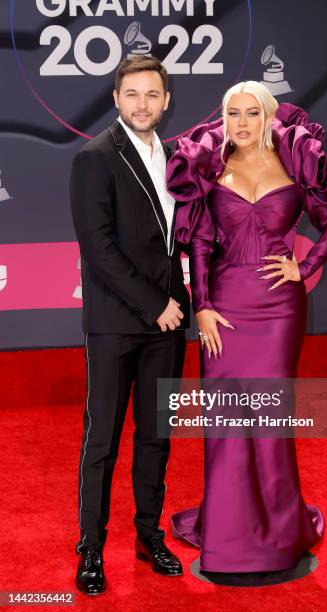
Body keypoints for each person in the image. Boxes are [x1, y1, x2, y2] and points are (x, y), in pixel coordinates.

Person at [166, 81, 327, 572]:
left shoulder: (296, 165)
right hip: (225, 309)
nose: (240, 122)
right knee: (227, 422)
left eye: (251, 113)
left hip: (278, 308)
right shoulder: (211, 168)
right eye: (232, 113)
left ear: (269, 117)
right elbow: (199, 242)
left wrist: (306, 264)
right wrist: (202, 305)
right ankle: (230, 532)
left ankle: (278, 533)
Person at [70, 55, 190, 595]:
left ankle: (148, 534)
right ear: (117, 98)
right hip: (119, 322)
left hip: (170, 324)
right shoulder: (94, 158)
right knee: (103, 440)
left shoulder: (176, 157)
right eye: (132, 94)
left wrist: (183, 302)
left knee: (156, 436)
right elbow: (98, 247)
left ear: (165, 102)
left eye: (152, 95)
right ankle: (90, 549)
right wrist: (154, 304)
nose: (142, 104)